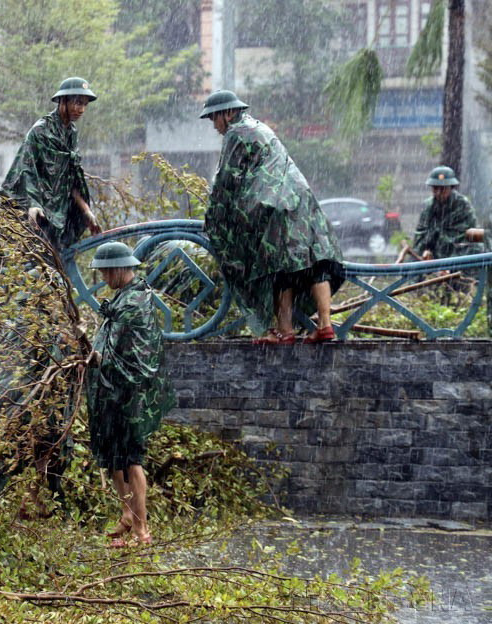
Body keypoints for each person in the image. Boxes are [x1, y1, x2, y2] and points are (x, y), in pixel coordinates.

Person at [200, 90, 344, 344]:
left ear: (228, 113)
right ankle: (324, 325)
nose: (214, 126)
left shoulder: (236, 133)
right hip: (300, 197)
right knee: (314, 261)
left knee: (277, 267)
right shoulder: (261, 128)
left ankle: (285, 330)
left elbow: (226, 180)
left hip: (273, 205)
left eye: (214, 118)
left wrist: (213, 217)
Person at [86, 241, 170, 547]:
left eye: (108, 272)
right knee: (114, 459)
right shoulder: (125, 297)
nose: (105, 278)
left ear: (122, 268)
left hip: (129, 392)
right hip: (116, 389)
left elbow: (128, 351)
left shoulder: (133, 302)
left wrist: (98, 359)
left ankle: (141, 531)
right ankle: (126, 514)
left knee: (132, 460)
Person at [0, 77, 102, 254]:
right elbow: (26, 170)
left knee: (60, 263)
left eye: (85, 104)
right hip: (39, 215)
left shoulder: (71, 133)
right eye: (78, 103)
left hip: (61, 215)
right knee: (39, 266)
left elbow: (70, 180)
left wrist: (86, 211)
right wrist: (33, 203)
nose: (82, 109)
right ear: (63, 101)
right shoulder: (41, 131)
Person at [413, 166, 482, 261]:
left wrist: (453, 264)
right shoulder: (429, 207)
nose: (438, 193)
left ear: (451, 188)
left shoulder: (463, 206)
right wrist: (425, 251)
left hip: (459, 259)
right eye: (435, 188)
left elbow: (475, 239)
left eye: (442, 189)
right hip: (434, 261)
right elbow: (420, 235)